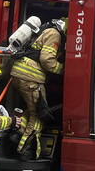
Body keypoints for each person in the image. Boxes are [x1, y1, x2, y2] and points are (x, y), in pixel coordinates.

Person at [8, 18, 65, 159]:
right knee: (39, 115)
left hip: (20, 73)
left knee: (31, 110)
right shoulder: (54, 34)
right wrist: (64, 71)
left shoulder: (45, 29)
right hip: (31, 77)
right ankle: (24, 150)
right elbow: (47, 60)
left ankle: (19, 133)